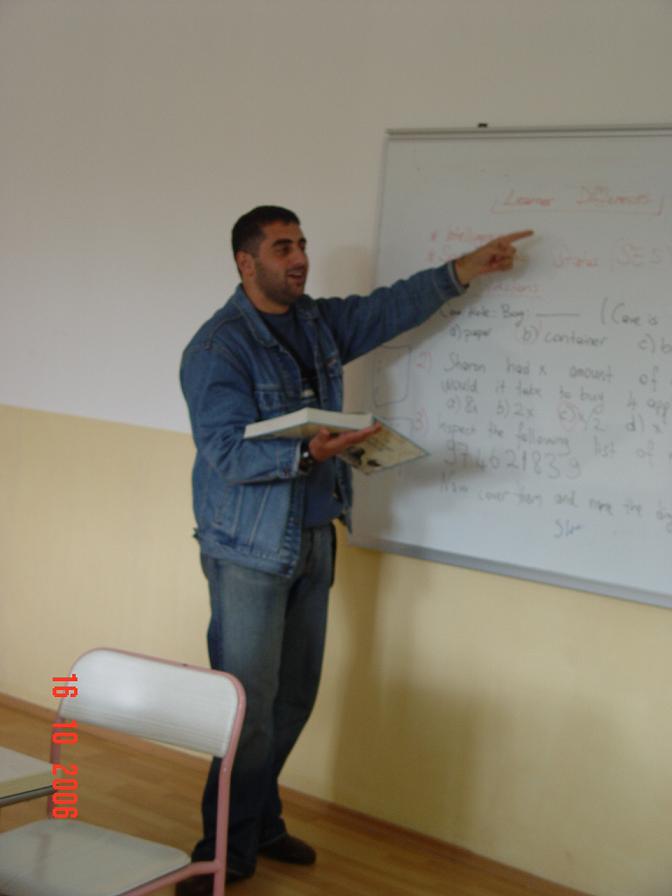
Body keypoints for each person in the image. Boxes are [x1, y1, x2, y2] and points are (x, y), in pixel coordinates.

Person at [178, 206, 532, 892]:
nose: (299, 258)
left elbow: (386, 309)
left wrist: (462, 270)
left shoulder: (316, 321)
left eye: (302, 244)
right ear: (246, 263)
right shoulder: (218, 348)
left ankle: (261, 821)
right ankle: (220, 849)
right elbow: (224, 452)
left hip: (315, 537)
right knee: (247, 713)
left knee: (293, 701)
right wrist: (308, 453)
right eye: (283, 247)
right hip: (249, 549)